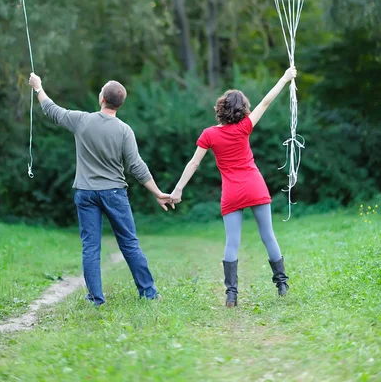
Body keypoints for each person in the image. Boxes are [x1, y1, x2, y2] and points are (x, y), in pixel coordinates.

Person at [29, 73, 173, 305]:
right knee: (129, 243)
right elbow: (136, 166)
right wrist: (157, 192)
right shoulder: (124, 130)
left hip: (85, 193)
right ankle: (148, 293)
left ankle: (96, 298)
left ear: (101, 99)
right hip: (115, 193)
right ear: (119, 103)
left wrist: (38, 88)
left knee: (90, 247)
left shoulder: (82, 120)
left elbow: (51, 110)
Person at [170, 67, 297, 307]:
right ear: (242, 110)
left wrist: (178, 189)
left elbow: (194, 162)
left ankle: (231, 295)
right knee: (268, 235)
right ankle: (281, 284)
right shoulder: (245, 127)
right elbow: (267, 101)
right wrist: (285, 78)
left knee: (232, 243)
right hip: (255, 186)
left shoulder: (209, 134)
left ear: (220, 109)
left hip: (232, 192)